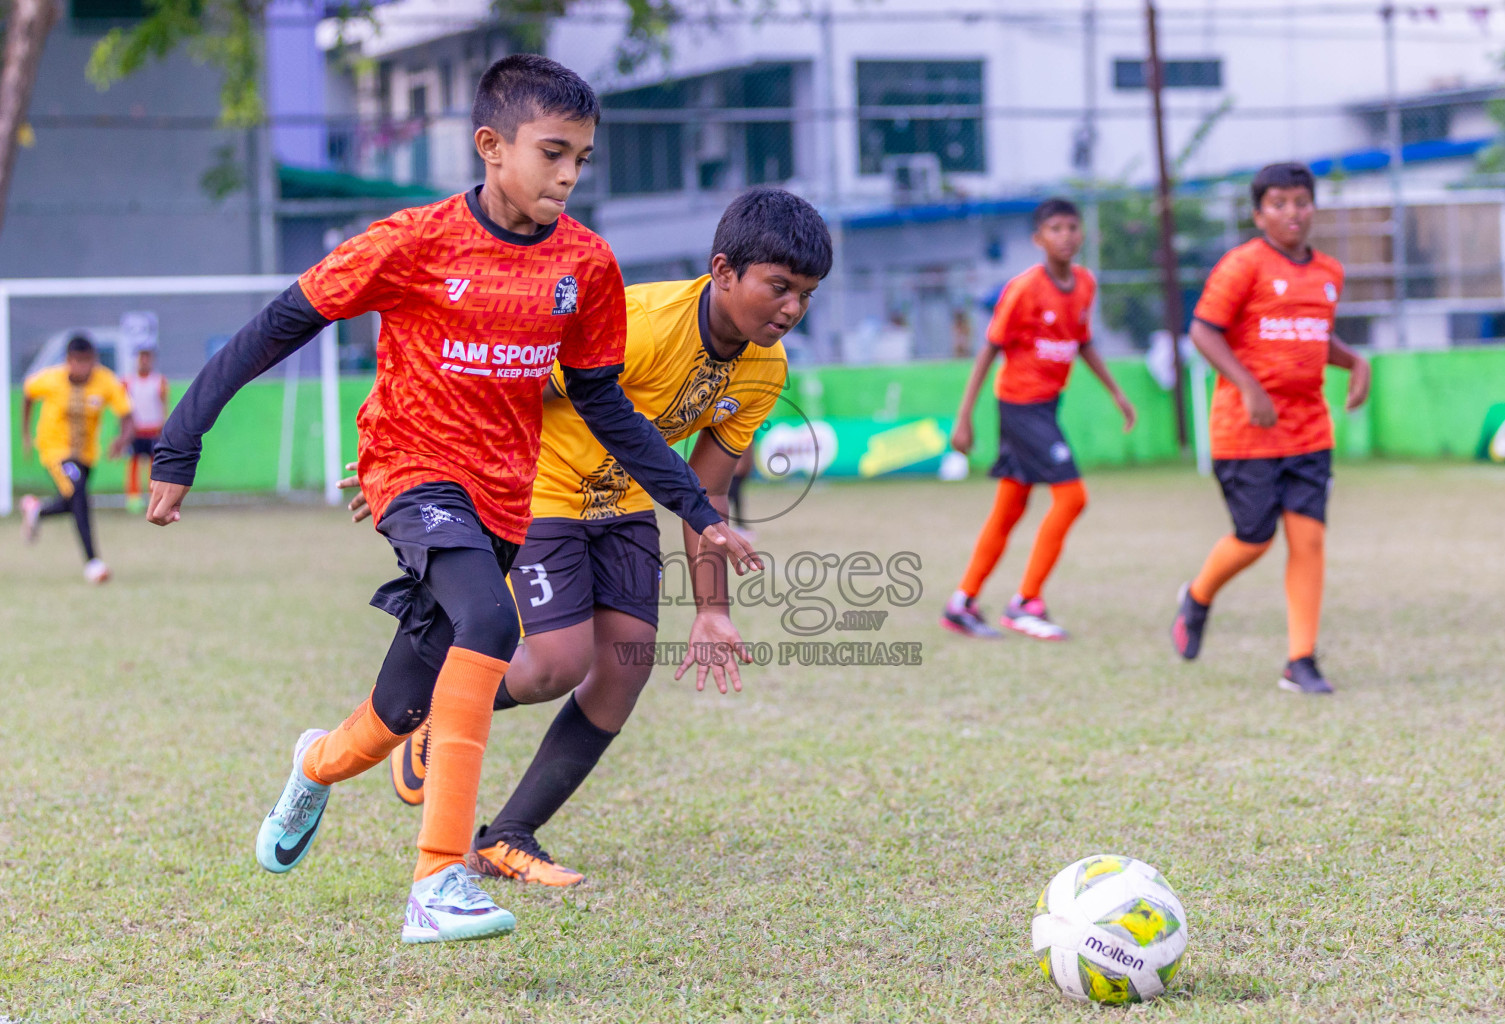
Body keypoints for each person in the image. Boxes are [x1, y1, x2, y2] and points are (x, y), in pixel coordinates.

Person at [146, 55, 756, 944]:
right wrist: (180, 440)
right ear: (490, 146)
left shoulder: (584, 264)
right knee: (490, 619)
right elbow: (279, 323)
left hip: (506, 499)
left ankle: (315, 763)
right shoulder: (414, 242)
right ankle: (438, 881)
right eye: (552, 152)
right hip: (410, 468)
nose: (568, 176)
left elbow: (604, 405)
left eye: (581, 159)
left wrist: (700, 513)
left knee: (398, 710)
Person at [347, 187, 831, 886]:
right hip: (540, 489)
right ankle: (437, 711)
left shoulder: (765, 370)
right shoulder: (637, 322)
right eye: (780, 288)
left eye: (807, 295)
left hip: (627, 506)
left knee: (624, 668)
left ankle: (509, 836)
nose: (792, 309)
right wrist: (416, 455)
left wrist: (713, 611)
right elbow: (509, 388)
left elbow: (711, 490)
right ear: (724, 270)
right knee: (555, 664)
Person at [1169, 162, 1371, 695]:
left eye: (1301, 202)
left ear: (1314, 208)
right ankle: (1198, 596)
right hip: (1247, 431)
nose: (1292, 213)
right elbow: (1204, 333)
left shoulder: (1328, 272)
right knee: (1255, 538)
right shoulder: (1242, 266)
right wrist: (1250, 387)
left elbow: (1311, 337)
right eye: (1278, 204)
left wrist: (1356, 363)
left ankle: (1299, 661)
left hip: (1308, 431)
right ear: (1259, 214)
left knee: (1308, 541)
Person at [942, 198, 1136, 641]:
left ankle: (962, 603)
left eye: (1072, 227)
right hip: (1019, 406)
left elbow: (1082, 342)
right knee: (1072, 498)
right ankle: (1026, 602)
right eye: (1055, 228)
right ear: (1038, 238)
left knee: (1009, 510)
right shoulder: (1024, 289)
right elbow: (990, 348)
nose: (1065, 236)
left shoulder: (1085, 284)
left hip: (1047, 406)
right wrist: (965, 418)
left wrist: (1118, 394)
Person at [19, 334, 133, 584]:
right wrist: (26, 433)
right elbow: (28, 392)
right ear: (68, 361)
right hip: (55, 451)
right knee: (79, 493)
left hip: (86, 455)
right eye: (78, 361)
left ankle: (36, 511)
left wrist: (123, 439)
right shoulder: (51, 379)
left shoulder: (105, 381)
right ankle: (93, 563)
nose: (83, 367)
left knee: (74, 500)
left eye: (88, 361)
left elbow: (126, 413)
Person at [123, 341, 169, 514]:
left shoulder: (159, 381)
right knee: (133, 464)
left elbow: (164, 405)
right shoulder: (129, 381)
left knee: (154, 466)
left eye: (147, 357)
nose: (144, 361)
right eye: (141, 357)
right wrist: (125, 430)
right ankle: (133, 499)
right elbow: (124, 409)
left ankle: (154, 498)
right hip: (136, 430)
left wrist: (164, 427)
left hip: (153, 430)